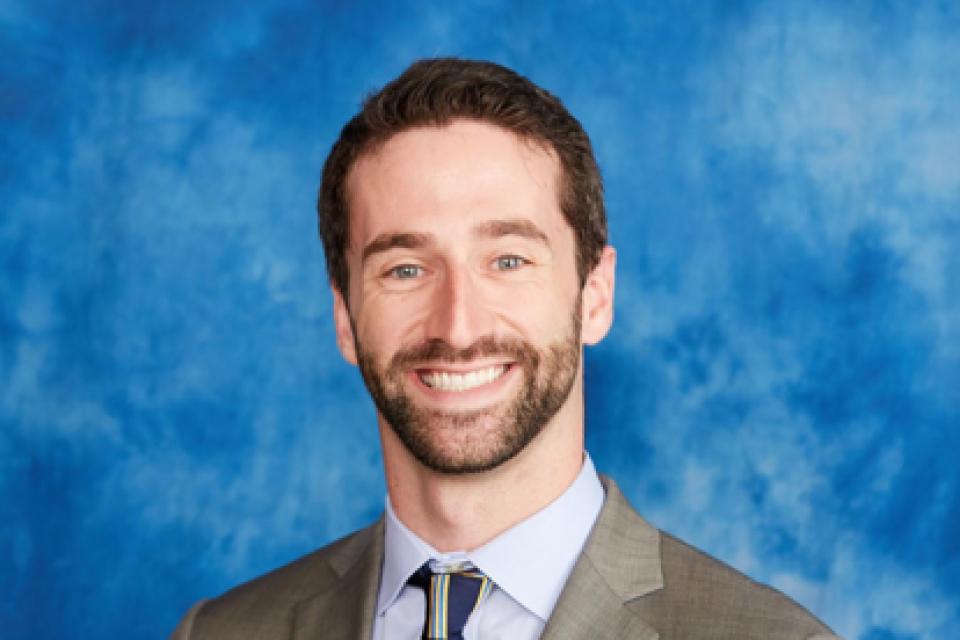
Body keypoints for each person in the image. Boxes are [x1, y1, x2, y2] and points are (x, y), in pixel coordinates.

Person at [170, 58, 839, 640]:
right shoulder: (219, 633)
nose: (458, 327)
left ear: (595, 296)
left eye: (509, 260)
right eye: (405, 269)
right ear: (345, 316)